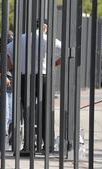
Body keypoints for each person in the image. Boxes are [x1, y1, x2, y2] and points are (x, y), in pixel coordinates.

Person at [7, 20, 61, 152]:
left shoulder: (21, 38)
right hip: (43, 76)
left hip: (25, 77)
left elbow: (7, 53)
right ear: (45, 27)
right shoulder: (48, 39)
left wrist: (14, 69)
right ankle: (46, 144)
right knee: (45, 110)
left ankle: (28, 144)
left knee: (27, 111)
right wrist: (53, 65)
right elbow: (66, 51)